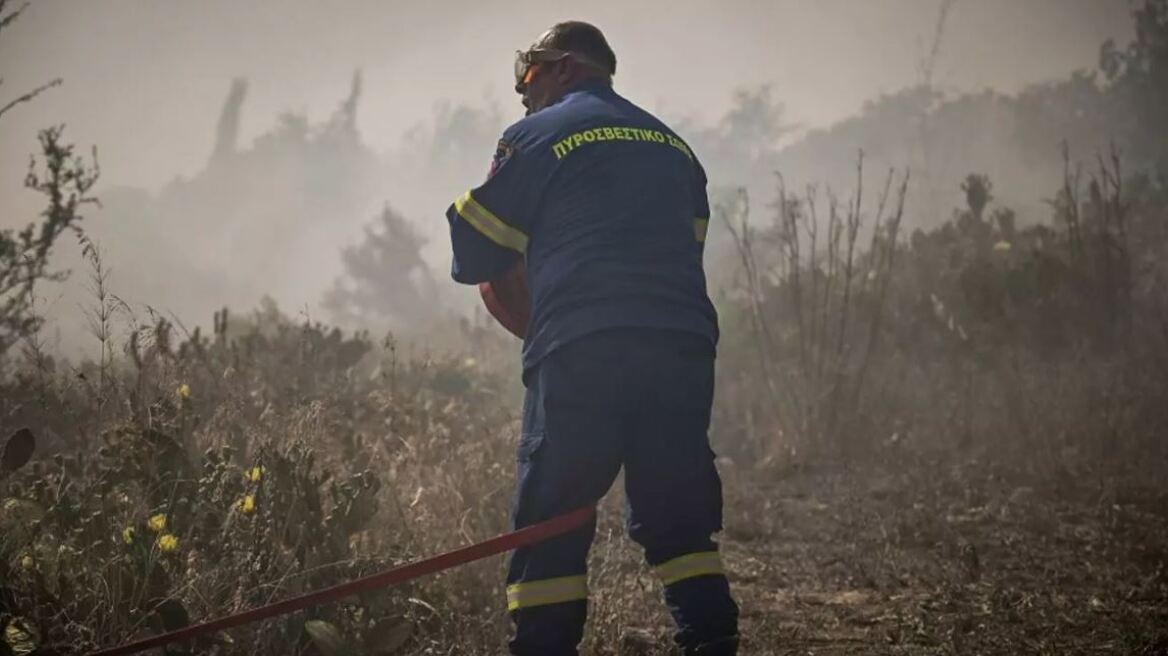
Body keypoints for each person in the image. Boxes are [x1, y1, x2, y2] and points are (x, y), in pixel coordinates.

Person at [443, 21, 739, 656]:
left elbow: (473, 249)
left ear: (566, 69)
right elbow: (686, 250)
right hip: (681, 346)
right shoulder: (675, 147)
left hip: (582, 348)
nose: (523, 92)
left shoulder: (535, 135)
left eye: (530, 74)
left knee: (550, 520)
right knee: (679, 522)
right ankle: (712, 641)